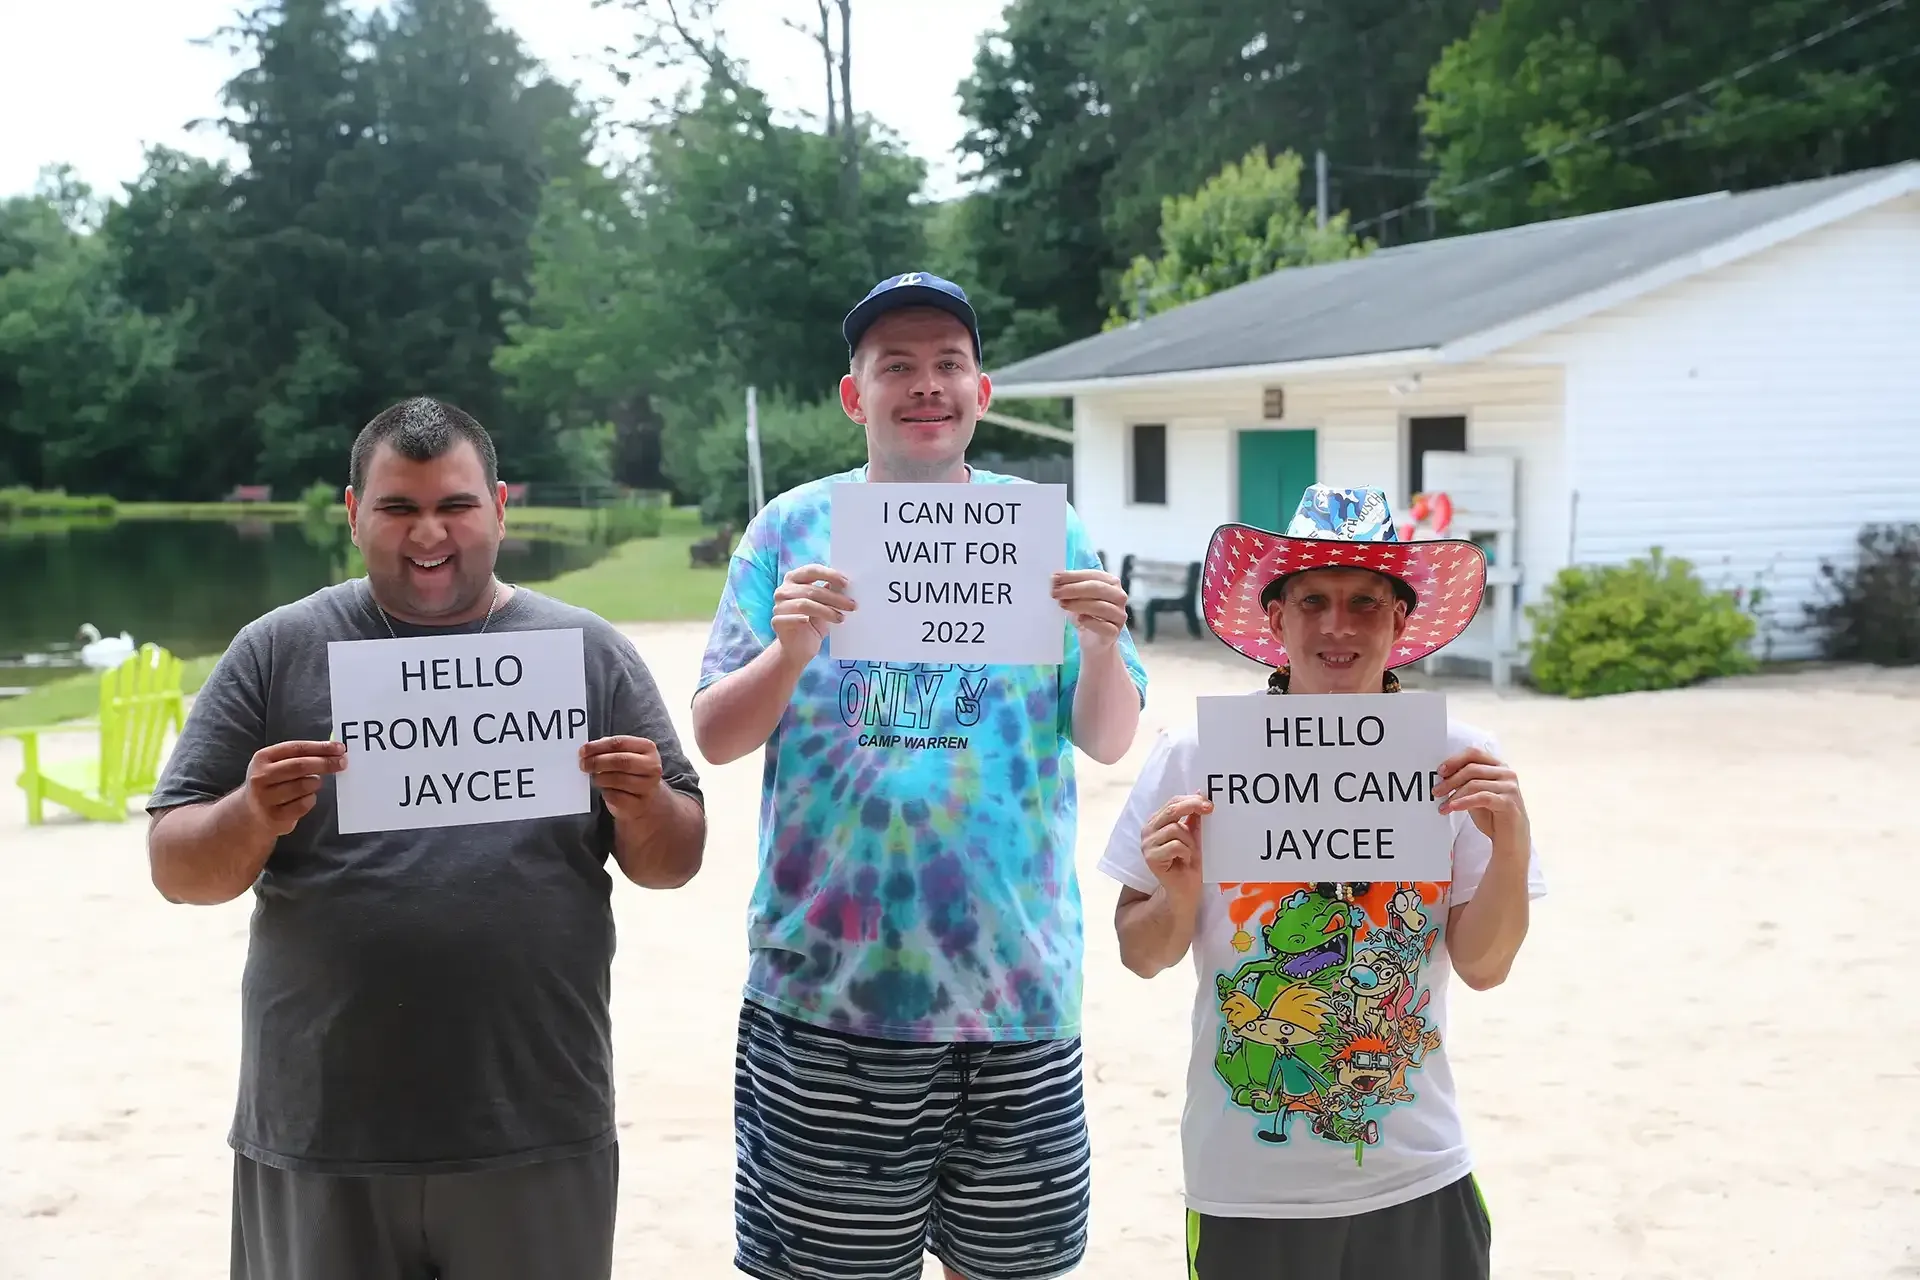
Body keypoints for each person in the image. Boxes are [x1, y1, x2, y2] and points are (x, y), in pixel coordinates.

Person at [145, 396, 707, 1280]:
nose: (428, 535)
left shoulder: (586, 653)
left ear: (501, 506)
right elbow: (178, 870)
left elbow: (674, 863)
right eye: (398, 508)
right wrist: (249, 813)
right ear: (352, 512)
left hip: (534, 1121)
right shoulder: (276, 650)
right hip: (322, 1128)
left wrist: (643, 806)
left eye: (455, 505)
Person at [692, 271, 1150, 1280]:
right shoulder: (786, 531)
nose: (926, 385)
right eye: (896, 366)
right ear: (855, 396)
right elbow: (716, 736)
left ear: (981, 391)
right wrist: (790, 650)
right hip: (828, 996)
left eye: (948, 365)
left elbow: (1109, 739)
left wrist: (1104, 647)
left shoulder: (1049, 534)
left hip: (1019, 991)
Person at [1097, 484, 1547, 1280]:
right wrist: (1179, 889)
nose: (1338, 626)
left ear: (1400, 623)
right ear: (1276, 622)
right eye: (1313, 601)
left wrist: (1510, 846)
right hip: (1246, 1184)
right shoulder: (1196, 753)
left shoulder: (1456, 756)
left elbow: (1485, 966)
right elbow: (1141, 955)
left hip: (1416, 1169)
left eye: (1366, 603)